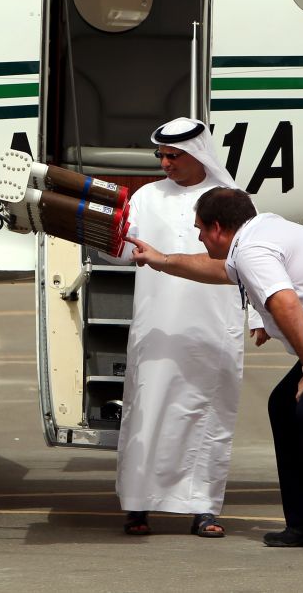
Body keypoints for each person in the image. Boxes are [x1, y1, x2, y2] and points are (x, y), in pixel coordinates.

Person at [126, 187, 303, 557]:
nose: (198, 236)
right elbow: (218, 269)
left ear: (216, 228)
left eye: (199, 229)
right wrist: (161, 259)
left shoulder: (253, 249)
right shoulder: (258, 235)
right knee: (285, 406)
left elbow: (285, 302)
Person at [105, 118, 264, 539]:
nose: (165, 163)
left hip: (214, 325)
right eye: (161, 155)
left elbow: (256, 260)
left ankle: (204, 508)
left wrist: (261, 316)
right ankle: (138, 505)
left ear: (198, 154)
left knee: (207, 415)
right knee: (149, 410)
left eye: (174, 156)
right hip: (157, 324)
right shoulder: (147, 196)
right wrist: (94, 232)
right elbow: (123, 253)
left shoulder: (229, 202)